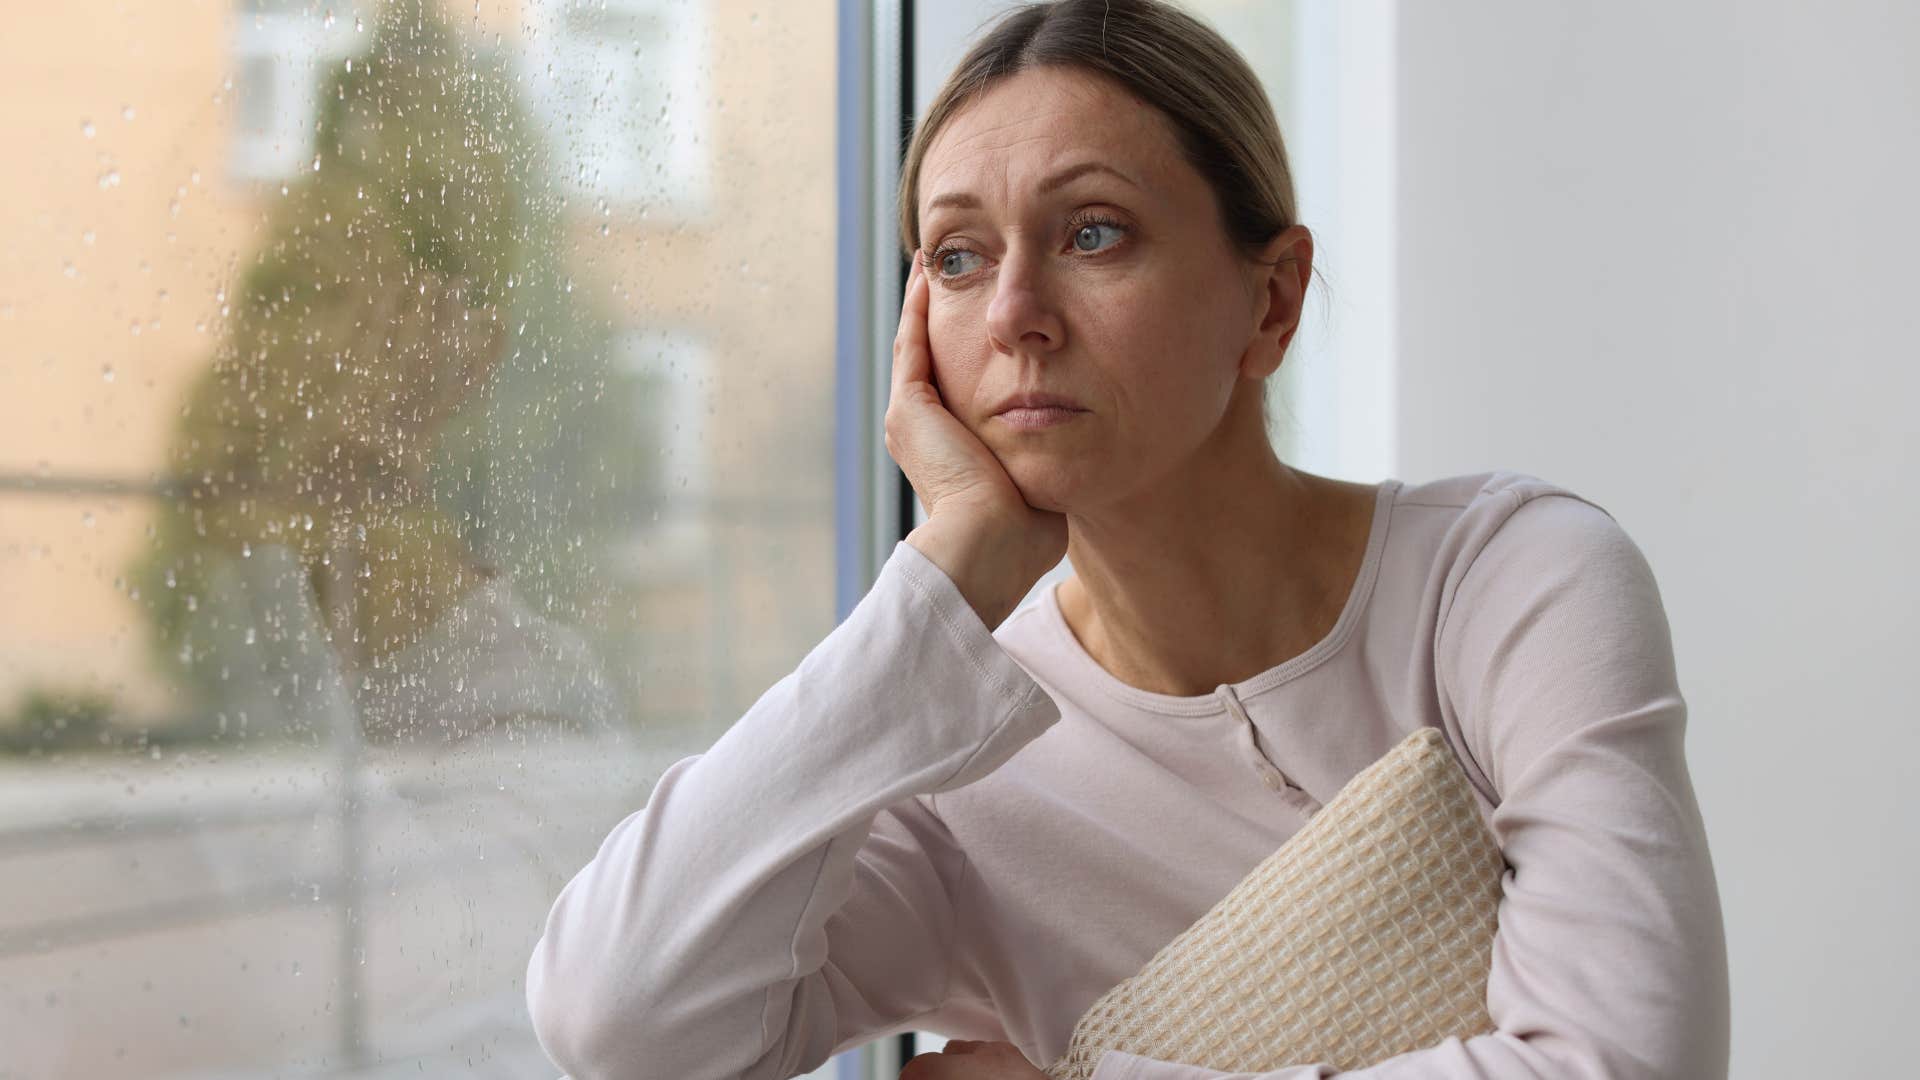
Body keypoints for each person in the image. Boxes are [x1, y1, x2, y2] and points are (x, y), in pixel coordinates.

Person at [524, 1, 1731, 1077]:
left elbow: (1623, 1062)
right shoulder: (960, 761)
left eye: (1092, 232)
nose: (1013, 316)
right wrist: (939, 585)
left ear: (1272, 301)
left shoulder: (1510, 582)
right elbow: (620, 1022)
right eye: (956, 256)